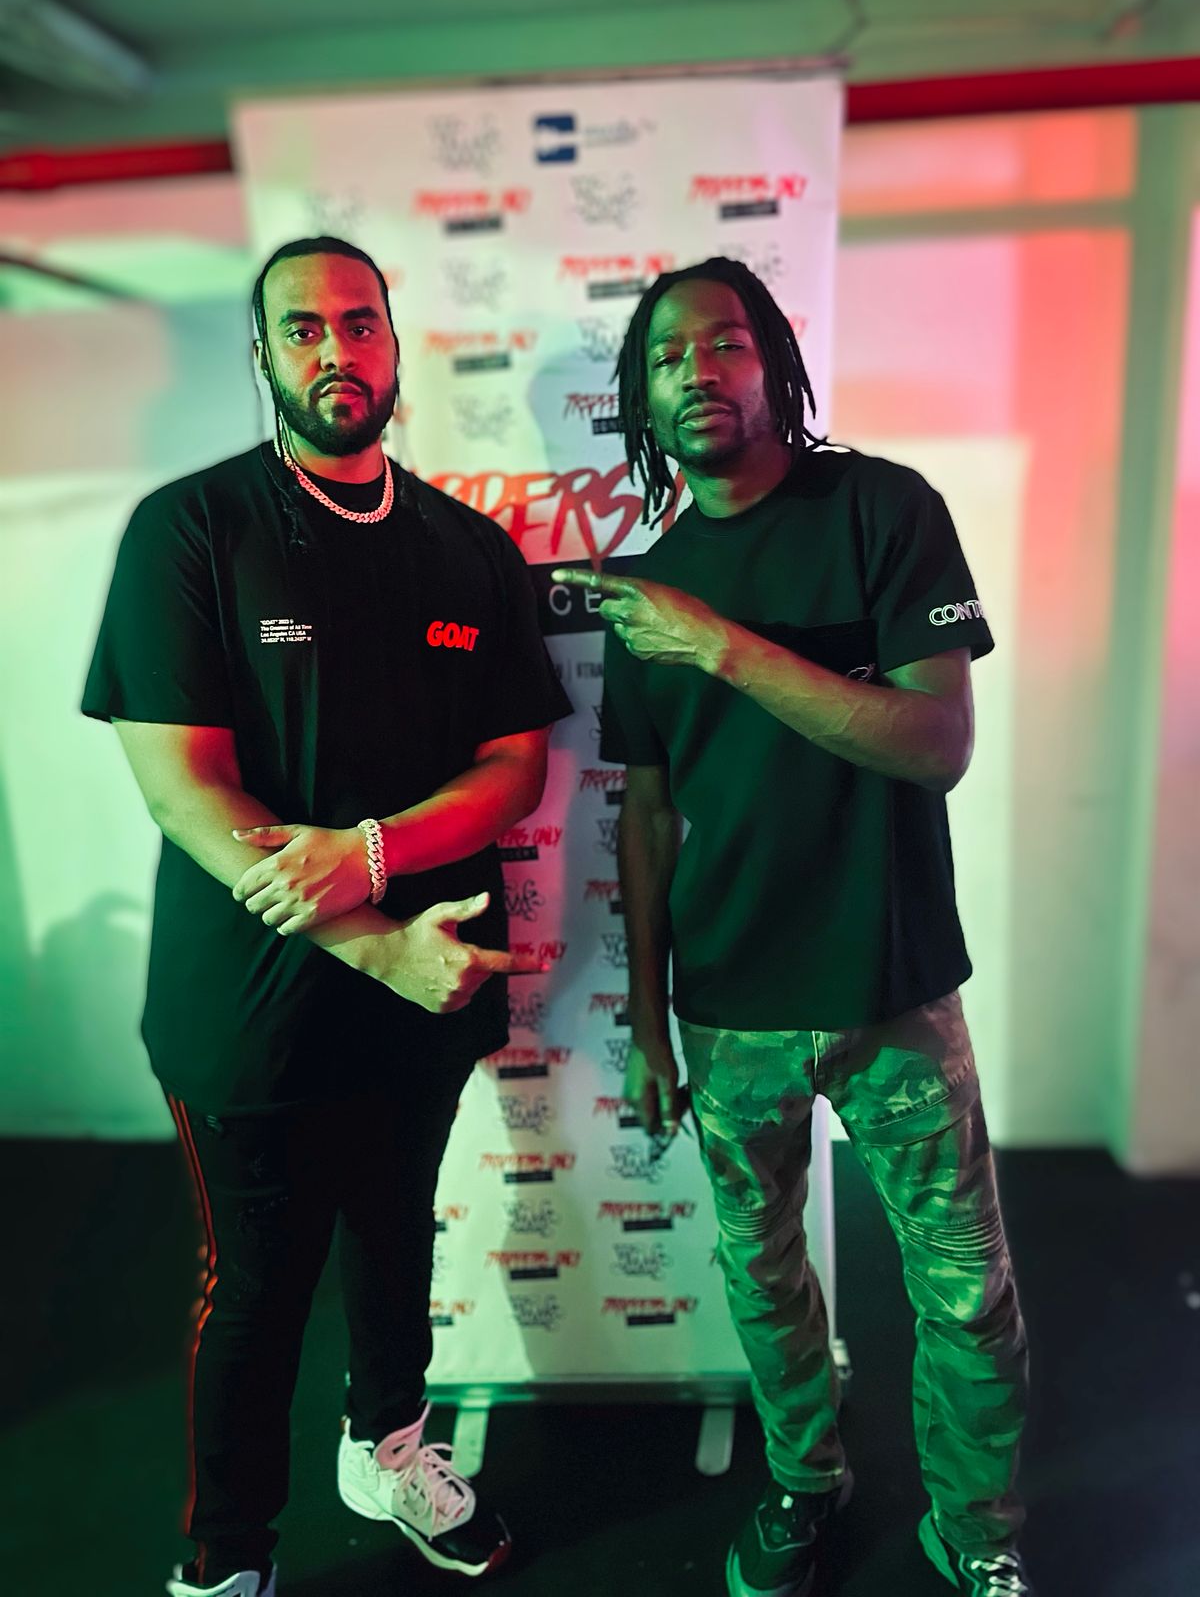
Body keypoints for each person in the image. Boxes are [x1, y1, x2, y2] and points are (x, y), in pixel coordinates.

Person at [82, 235, 572, 1597]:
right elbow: (184, 788)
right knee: (255, 1286)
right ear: (264, 356)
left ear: (394, 347)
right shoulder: (191, 529)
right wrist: (372, 937)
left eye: (359, 324)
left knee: (396, 1237)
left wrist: (374, 854)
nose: (334, 351)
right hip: (251, 1000)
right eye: (301, 329)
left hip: (430, 982)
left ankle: (388, 1446)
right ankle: (227, 1555)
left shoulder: (468, 549)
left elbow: (514, 764)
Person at [552, 256, 1034, 1597]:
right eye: (664, 358)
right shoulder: (650, 588)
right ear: (641, 401)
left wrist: (721, 646)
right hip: (728, 1007)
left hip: (893, 989)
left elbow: (936, 743)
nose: (695, 372)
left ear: (772, 362)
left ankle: (978, 1531)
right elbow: (648, 818)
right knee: (762, 1280)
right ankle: (805, 1482)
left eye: (722, 343)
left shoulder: (882, 509)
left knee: (963, 1290)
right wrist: (649, 1024)